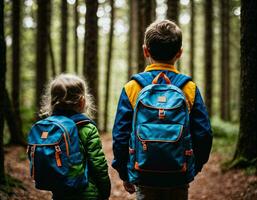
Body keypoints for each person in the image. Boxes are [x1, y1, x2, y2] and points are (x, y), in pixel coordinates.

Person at [112, 20, 212, 200]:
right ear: (179, 53)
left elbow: (120, 136)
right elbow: (204, 134)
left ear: (145, 51)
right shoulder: (189, 88)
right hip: (178, 173)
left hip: (143, 172)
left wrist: (124, 172)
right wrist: (192, 167)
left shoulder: (132, 87)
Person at [39, 74, 111, 200]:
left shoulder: (50, 129)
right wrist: (105, 190)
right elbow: (98, 165)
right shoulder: (87, 128)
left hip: (60, 192)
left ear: (52, 102)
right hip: (87, 192)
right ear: (82, 101)